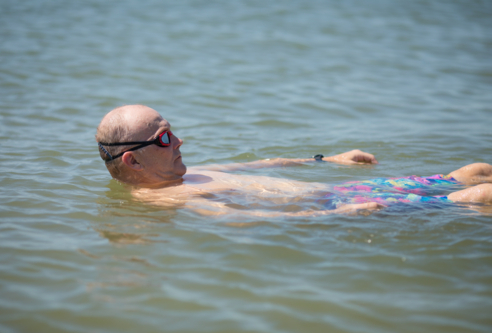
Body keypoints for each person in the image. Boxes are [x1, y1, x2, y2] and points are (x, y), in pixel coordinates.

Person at [96, 105, 492, 217]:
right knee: (474, 195)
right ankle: (458, 199)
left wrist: (326, 158)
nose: (179, 140)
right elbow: (248, 219)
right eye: (165, 137)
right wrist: (333, 216)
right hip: (337, 205)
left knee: (470, 171)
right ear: (132, 162)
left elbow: (262, 165)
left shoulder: (191, 174)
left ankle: (453, 185)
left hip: (340, 190)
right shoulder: (163, 199)